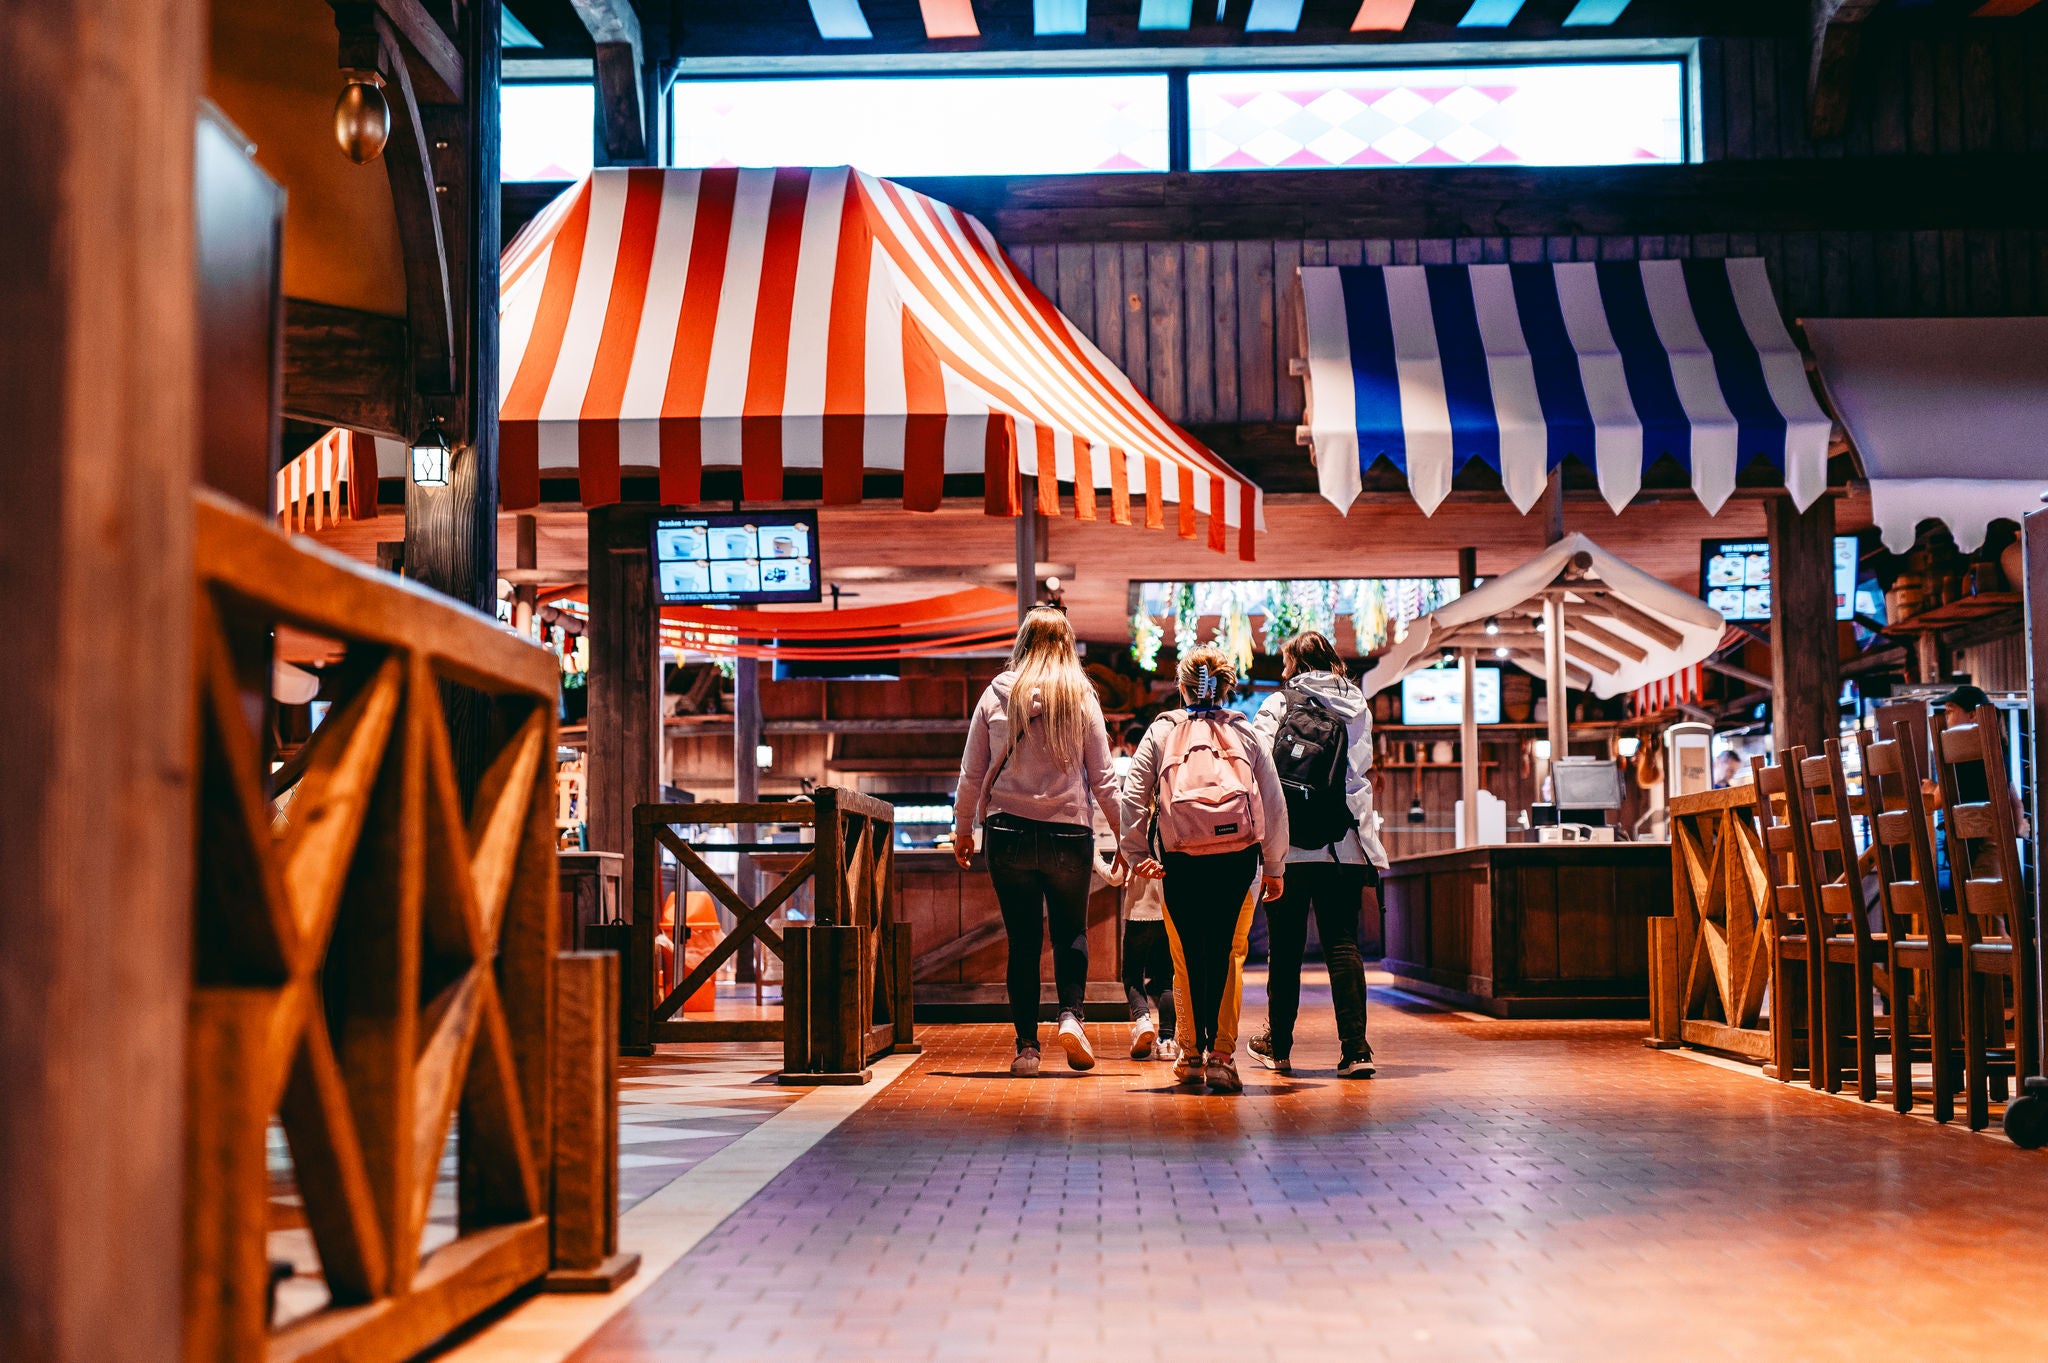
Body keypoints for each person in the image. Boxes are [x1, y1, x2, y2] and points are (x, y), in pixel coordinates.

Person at [955, 607, 1124, 1077]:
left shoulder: (996, 694)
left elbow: (971, 773)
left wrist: (964, 827)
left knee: (1023, 942)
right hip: (1069, 833)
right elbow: (1105, 780)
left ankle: (1027, 1049)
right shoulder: (1081, 698)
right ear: (1067, 644)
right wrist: (1128, 841)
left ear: (1022, 642)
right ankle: (1071, 1016)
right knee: (1071, 932)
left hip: (1008, 833)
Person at [1120, 647, 1289, 1094]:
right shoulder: (1245, 733)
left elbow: (1134, 795)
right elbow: (1272, 802)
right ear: (1228, 687)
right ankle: (1222, 1058)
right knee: (1229, 955)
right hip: (1239, 861)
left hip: (1180, 859)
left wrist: (1137, 855)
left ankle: (1190, 1053)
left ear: (1181, 687)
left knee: (1186, 957)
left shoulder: (1162, 731)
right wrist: (1274, 863)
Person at [1246, 631, 1387, 1078]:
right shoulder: (1357, 704)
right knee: (1342, 945)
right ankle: (1355, 1050)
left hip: (1286, 848)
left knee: (1284, 950)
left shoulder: (1277, 704)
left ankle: (1280, 1046)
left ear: (1294, 663)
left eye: (1286, 662)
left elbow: (1260, 770)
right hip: (1342, 843)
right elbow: (1359, 770)